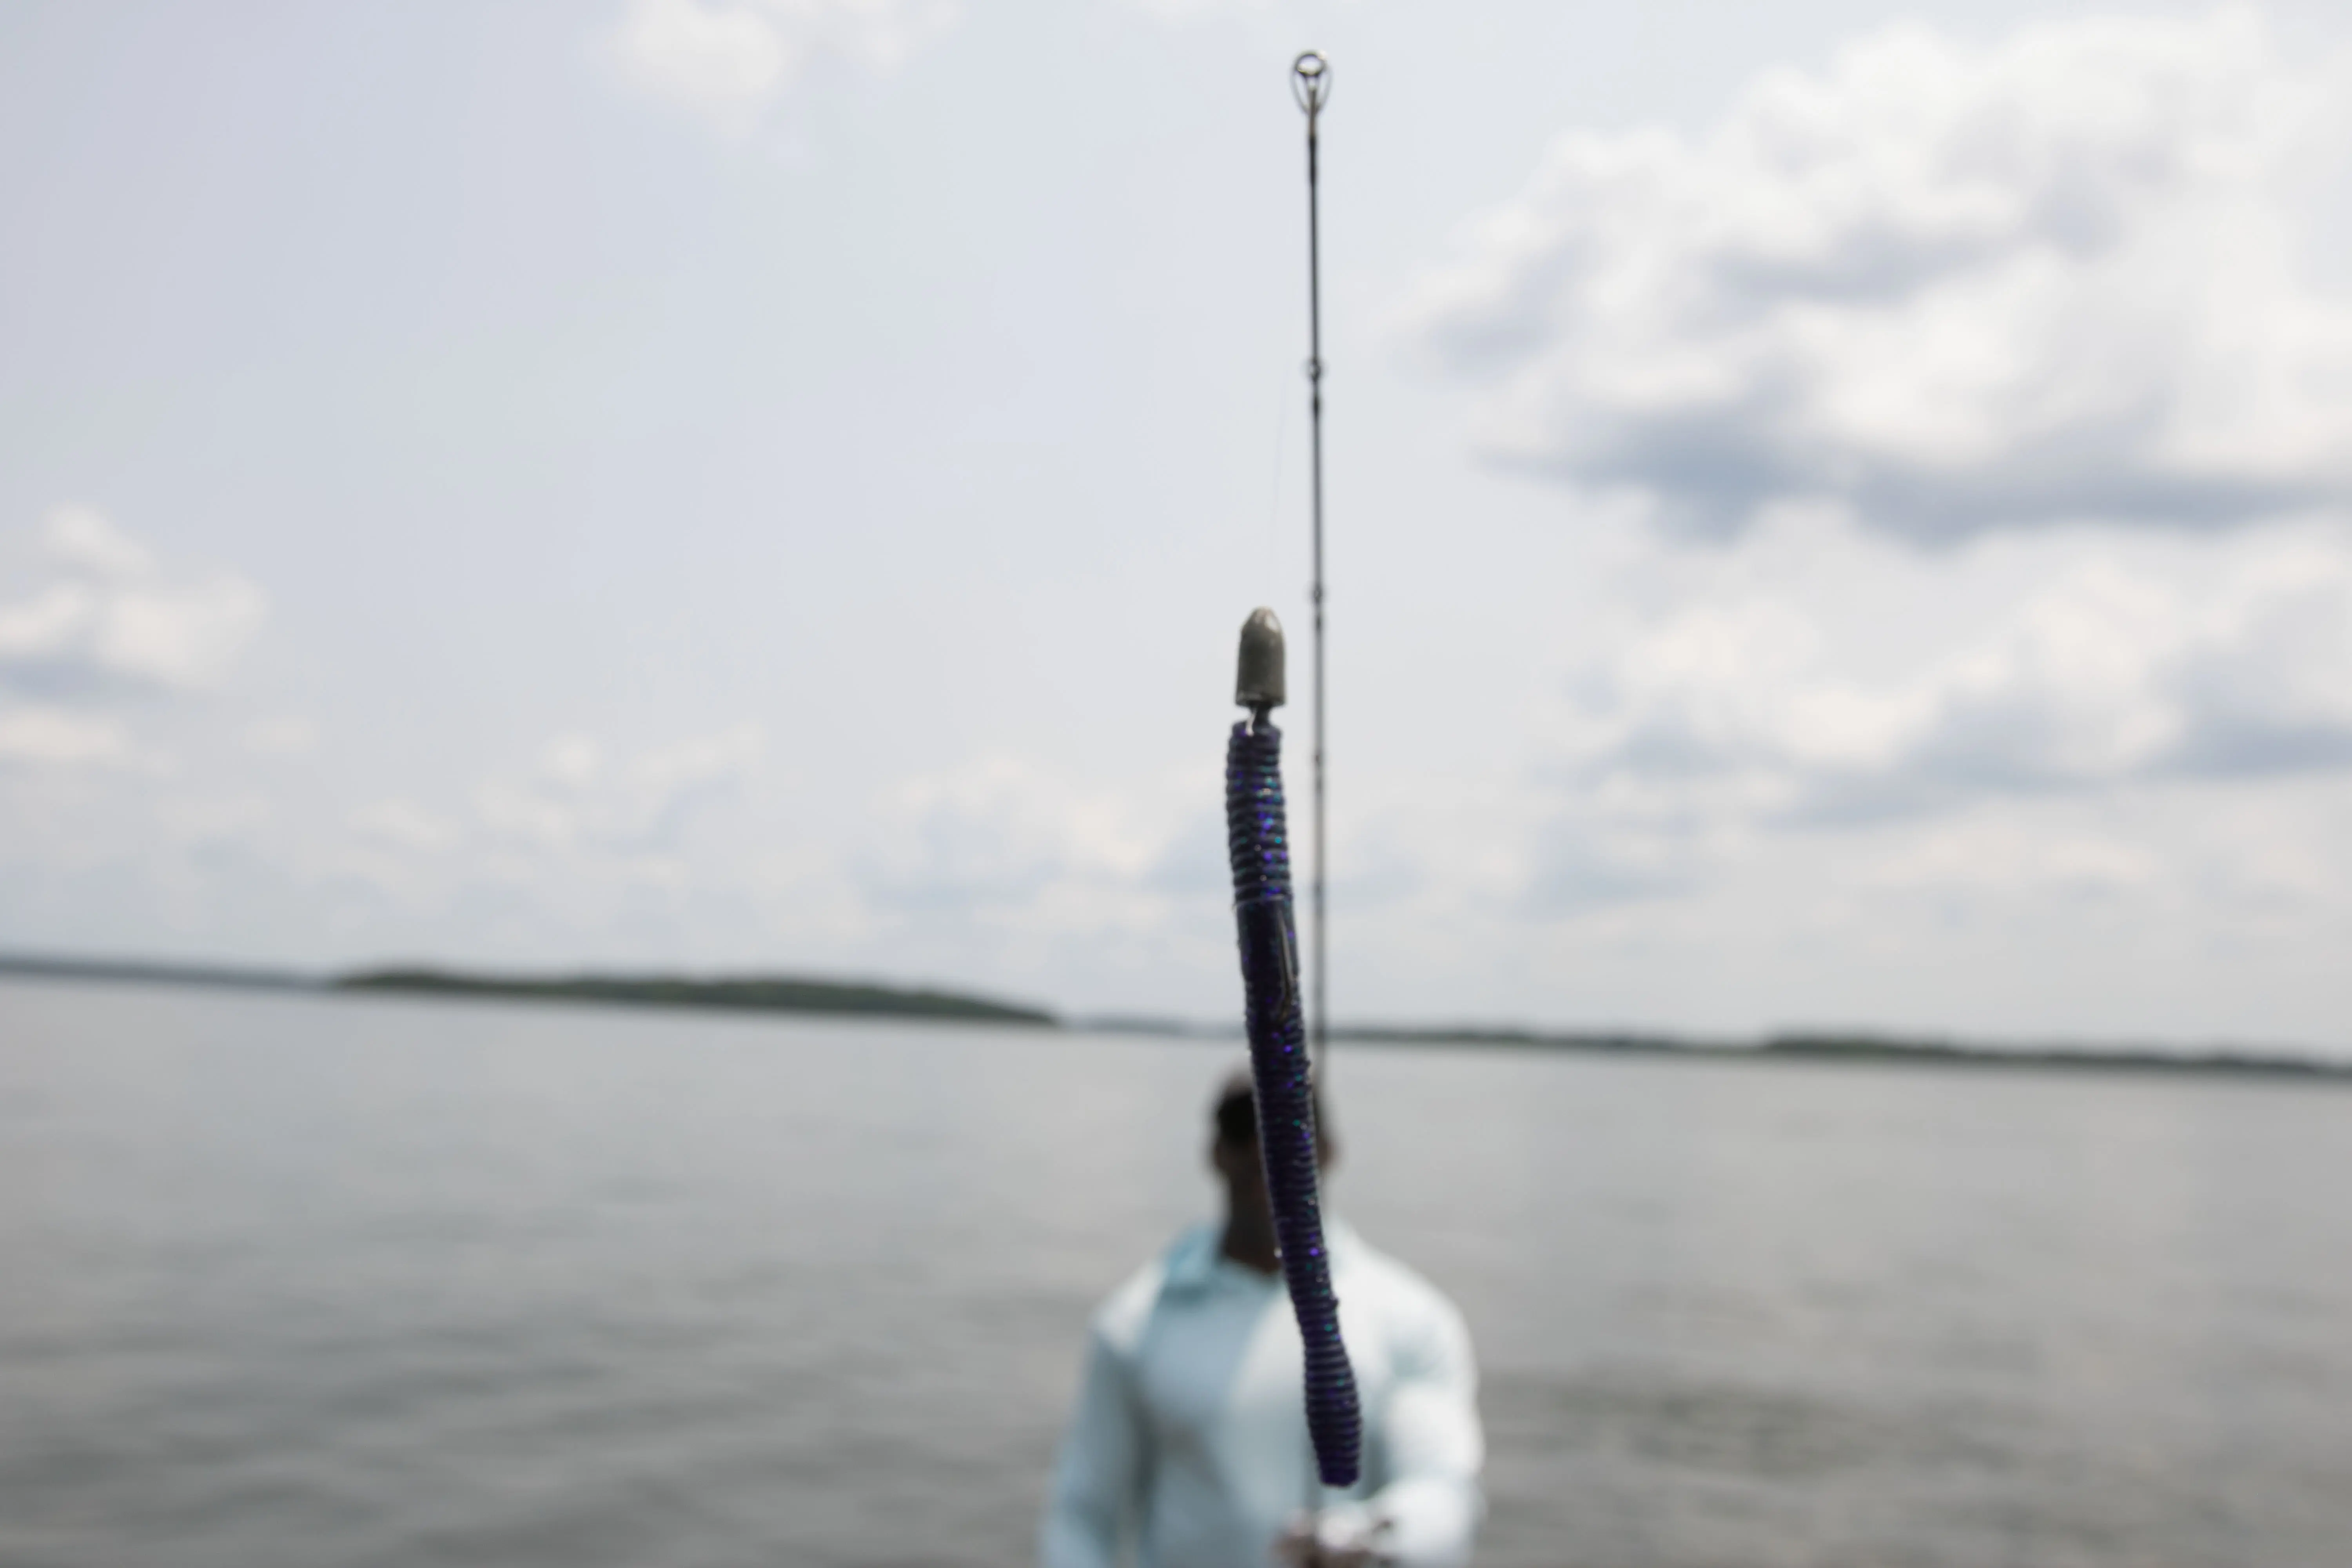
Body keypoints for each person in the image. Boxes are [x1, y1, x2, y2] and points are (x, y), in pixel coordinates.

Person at [1040, 1070, 1483, 1568]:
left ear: (1331, 1150)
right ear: (1215, 1153)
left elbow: (1445, 1488)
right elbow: (1083, 1514)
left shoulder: (1412, 1317)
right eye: (1241, 1128)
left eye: (1293, 1125)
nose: (1264, 1147)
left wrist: (1368, 1540)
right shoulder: (1130, 1323)